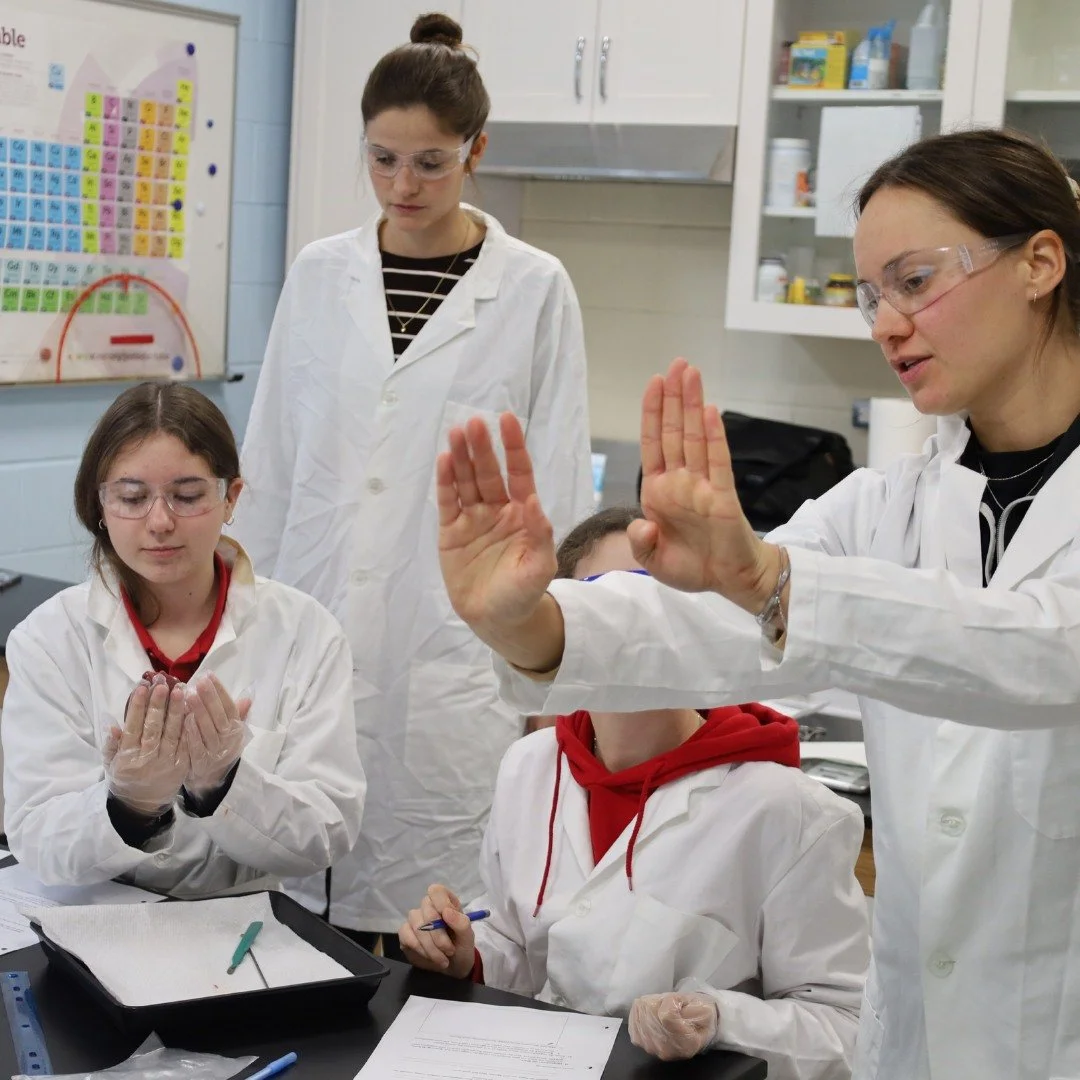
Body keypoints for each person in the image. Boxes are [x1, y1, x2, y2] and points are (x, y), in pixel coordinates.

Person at [433, 128, 1080, 1080]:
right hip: (919, 1038)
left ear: (1040, 262)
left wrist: (772, 578)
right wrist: (529, 620)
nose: (886, 323)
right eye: (871, 296)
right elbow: (707, 619)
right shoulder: (890, 501)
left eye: (914, 280)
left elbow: (1046, 652)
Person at [233, 12, 592, 953]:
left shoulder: (533, 287)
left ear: (477, 150)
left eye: (431, 162)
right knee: (290, 925)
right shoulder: (320, 276)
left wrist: (544, 662)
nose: (403, 185)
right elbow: (269, 463)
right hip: (309, 628)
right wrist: (240, 628)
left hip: (454, 652)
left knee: (433, 940)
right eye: (382, 158)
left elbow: (555, 488)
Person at [398, 506, 869, 1078]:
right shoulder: (530, 766)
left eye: (660, 599)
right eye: (608, 599)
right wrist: (466, 957)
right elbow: (521, 949)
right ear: (557, 617)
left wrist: (719, 1020)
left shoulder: (789, 810)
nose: (636, 626)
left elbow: (844, 1025)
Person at [2, 383, 365, 897]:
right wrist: (128, 805)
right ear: (99, 505)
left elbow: (328, 832)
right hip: (96, 925)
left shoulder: (306, 633)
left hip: (247, 932)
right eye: (131, 497)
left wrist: (225, 784)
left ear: (230, 498)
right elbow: (36, 837)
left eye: (188, 495)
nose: (160, 522)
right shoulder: (48, 639)